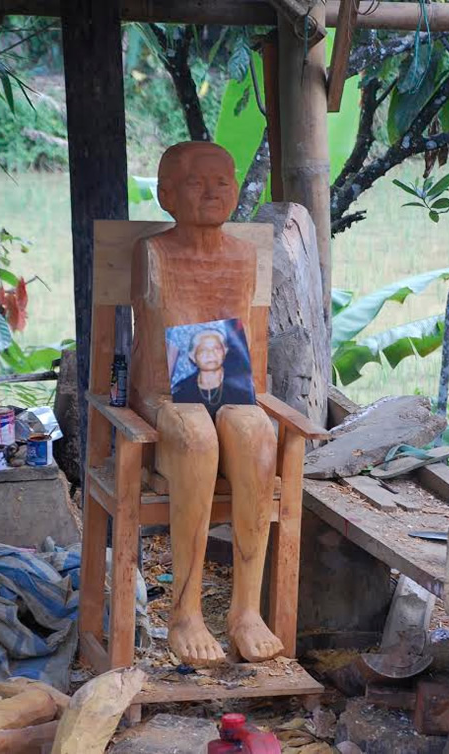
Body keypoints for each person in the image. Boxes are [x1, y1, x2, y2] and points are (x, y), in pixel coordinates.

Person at [130, 141, 282, 666]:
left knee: (258, 431)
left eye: (224, 181)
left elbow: (253, 351)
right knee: (196, 435)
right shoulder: (153, 252)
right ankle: (186, 612)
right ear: (168, 195)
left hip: (231, 386)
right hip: (166, 394)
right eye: (198, 182)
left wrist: (248, 400)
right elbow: (154, 355)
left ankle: (245, 612)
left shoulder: (244, 255)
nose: (215, 191)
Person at [172, 328, 255, 418]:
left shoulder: (242, 387)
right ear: (192, 356)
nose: (211, 354)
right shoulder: (181, 391)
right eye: (203, 350)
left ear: (225, 351)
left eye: (216, 348)